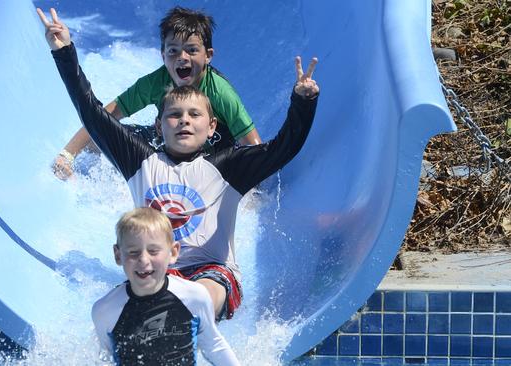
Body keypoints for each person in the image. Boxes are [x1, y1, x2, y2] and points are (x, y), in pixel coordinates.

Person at [38, 8, 320, 321]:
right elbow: (94, 113)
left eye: (194, 116)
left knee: (204, 291)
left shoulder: (227, 166)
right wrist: (64, 51)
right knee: (118, 304)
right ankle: (162, 314)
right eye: (174, 116)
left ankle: (189, 314)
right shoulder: (141, 159)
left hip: (212, 275)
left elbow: (278, 149)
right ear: (160, 125)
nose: (184, 120)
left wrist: (302, 104)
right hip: (159, 272)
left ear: (211, 124)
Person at [38, 7, 262, 180]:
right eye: (173, 51)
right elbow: (101, 117)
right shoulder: (155, 82)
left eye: (192, 50)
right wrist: (67, 155)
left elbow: (253, 144)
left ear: (208, 55)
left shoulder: (221, 92)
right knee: (102, 137)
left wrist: (249, 186)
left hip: (212, 154)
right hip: (170, 143)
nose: (182, 57)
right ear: (162, 55)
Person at [92, 207, 240, 365]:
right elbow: (107, 358)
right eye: (133, 252)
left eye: (153, 251)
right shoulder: (105, 311)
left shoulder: (194, 296)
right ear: (118, 255)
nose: (143, 260)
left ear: (173, 252)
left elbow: (214, 345)